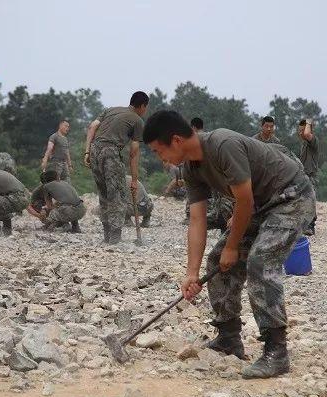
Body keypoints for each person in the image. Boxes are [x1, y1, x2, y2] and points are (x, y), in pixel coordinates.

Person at [143, 110, 315, 379]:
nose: (159, 158)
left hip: (290, 197)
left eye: (157, 151)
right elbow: (197, 219)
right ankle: (229, 337)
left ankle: (276, 352)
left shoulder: (223, 145)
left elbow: (244, 201)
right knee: (216, 261)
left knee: (261, 260)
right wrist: (191, 273)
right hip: (258, 205)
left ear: (175, 140)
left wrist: (233, 246)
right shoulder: (191, 168)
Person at [84, 91, 149, 244]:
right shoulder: (137, 120)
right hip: (110, 153)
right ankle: (115, 237)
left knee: (103, 193)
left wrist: (87, 151)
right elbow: (134, 153)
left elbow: (92, 126)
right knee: (117, 195)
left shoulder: (111, 109)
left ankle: (107, 235)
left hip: (94, 150)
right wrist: (134, 180)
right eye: (146, 107)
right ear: (142, 106)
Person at [298, 119, 319, 235]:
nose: (301, 133)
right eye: (299, 130)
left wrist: (309, 122)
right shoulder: (304, 144)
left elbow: (307, 134)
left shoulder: (313, 141)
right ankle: (305, 224)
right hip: (303, 175)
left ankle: (311, 225)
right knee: (303, 200)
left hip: (311, 176)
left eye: (303, 130)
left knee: (310, 200)